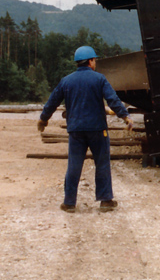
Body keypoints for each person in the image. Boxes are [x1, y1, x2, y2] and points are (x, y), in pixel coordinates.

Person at [38, 46, 134, 213]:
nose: (95, 63)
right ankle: (105, 201)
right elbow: (113, 100)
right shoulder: (99, 79)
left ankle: (69, 203)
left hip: (75, 130)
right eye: (94, 60)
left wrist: (43, 119)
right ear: (90, 61)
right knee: (102, 164)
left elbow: (52, 102)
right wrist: (125, 116)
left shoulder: (66, 81)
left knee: (74, 165)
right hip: (98, 130)